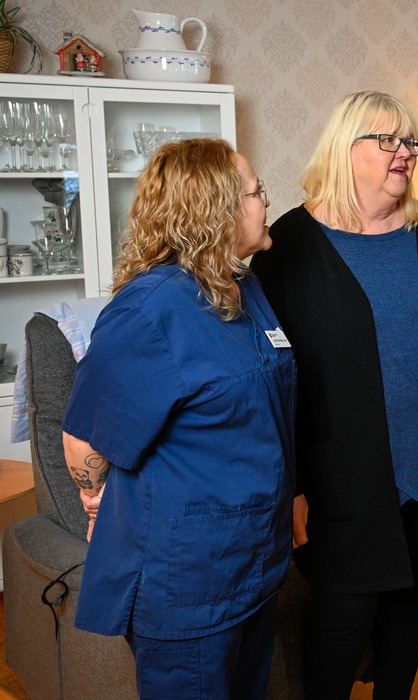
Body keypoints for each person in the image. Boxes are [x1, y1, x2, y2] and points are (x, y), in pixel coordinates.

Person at [249, 90, 418, 699]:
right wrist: (292, 485)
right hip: (340, 478)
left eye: (410, 142)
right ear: (344, 148)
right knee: (343, 619)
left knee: (413, 599)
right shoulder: (288, 245)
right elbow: (270, 379)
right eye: (388, 141)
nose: (404, 154)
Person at [62, 138, 296, 699]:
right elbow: (83, 434)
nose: (266, 200)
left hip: (253, 561)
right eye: (257, 191)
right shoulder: (152, 310)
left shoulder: (244, 286)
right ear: (219, 211)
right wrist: (97, 503)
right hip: (189, 582)